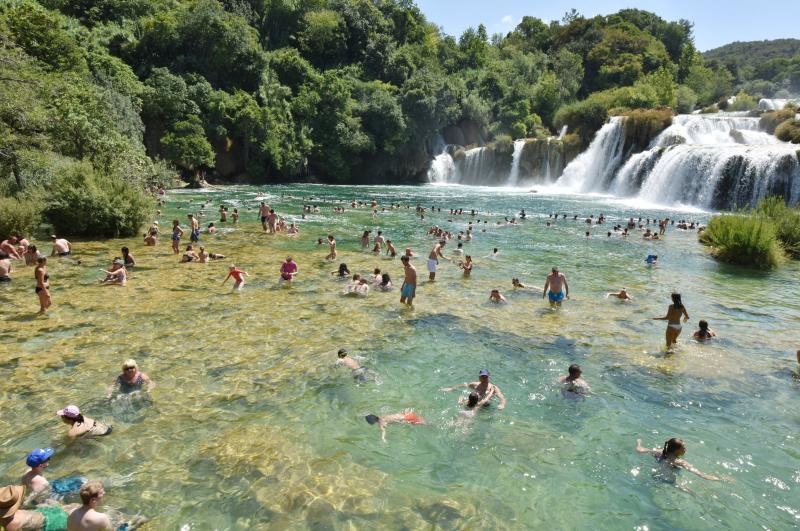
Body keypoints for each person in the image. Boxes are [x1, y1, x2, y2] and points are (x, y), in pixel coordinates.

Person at [635, 438, 724, 481]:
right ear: (676, 450)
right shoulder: (679, 461)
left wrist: (639, 442)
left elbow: (640, 450)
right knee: (695, 495)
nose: (685, 449)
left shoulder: (659, 452)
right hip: (669, 480)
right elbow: (702, 475)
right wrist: (721, 478)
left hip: (655, 476)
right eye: (683, 448)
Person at [0, 484, 73, 531]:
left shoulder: (7, 516)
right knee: (73, 511)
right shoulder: (12, 524)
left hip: (41, 513)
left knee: (70, 508)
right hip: (48, 523)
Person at [441, 369, 506, 409]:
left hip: (485, 406)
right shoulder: (475, 384)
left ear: (488, 377)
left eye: (485, 377)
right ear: (479, 377)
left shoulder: (493, 387)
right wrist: (452, 388)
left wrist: (502, 404)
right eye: (482, 376)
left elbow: (501, 397)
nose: (484, 378)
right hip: (473, 404)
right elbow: (464, 385)